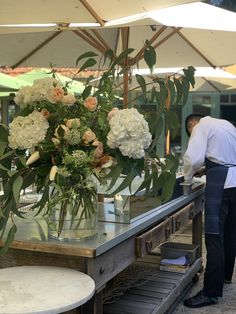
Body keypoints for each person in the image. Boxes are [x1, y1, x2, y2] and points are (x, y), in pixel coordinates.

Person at [182, 114, 236, 308]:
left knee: (214, 237)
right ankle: (225, 277)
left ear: (192, 125)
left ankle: (210, 293)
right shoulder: (226, 125)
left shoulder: (201, 126)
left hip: (220, 183)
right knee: (230, 233)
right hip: (234, 182)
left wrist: (186, 176)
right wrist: (206, 169)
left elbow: (193, 158)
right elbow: (225, 158)